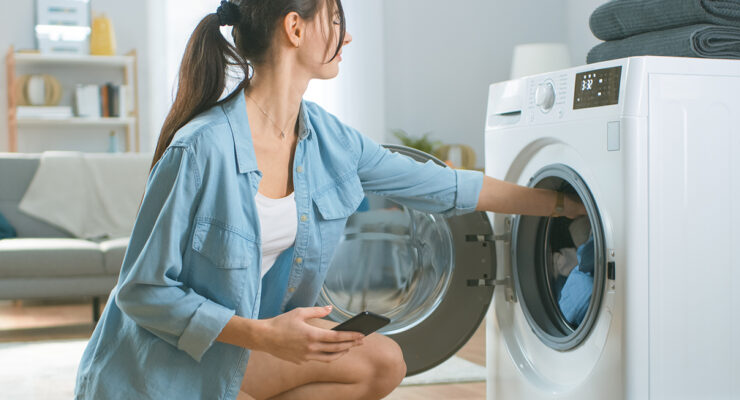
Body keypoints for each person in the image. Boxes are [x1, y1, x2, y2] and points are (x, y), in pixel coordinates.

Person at [74, 1, 586, 399]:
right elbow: (141, 291)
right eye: (336, 19)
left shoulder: (328, 140)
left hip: (235, 352)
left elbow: (443, 186)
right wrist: (264, 336)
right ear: (295, 29)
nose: (348, 35)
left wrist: (562, 204)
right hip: (161, 369)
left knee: (383, 361)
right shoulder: (200, 148)